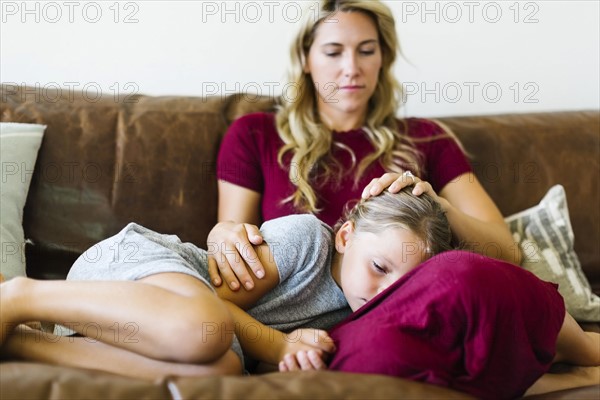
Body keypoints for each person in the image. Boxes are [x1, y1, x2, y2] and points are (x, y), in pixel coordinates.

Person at [208, 0, 521, 294]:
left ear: (382, 57)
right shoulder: (253, 134)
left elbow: (507, 252)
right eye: (333, 52)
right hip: (293, 323)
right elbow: (236, 250)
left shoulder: (428, 139)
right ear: (305, 59)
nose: (352, 68)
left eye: (366, 50)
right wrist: (221, 234)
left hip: (394, 313)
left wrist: (440, 206)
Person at [0, 188, 450, 379]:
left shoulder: (357, 317)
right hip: (139, 267)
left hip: (149, 327)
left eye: (402, 286)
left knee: (221, 371)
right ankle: (21, 293)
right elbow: (215, 298)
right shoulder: (309, 242)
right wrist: (277, 345)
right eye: (378, 266)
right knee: (205, 328)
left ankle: (22, 344)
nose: (384, 292)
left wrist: (293, 354)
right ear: (347, 237)